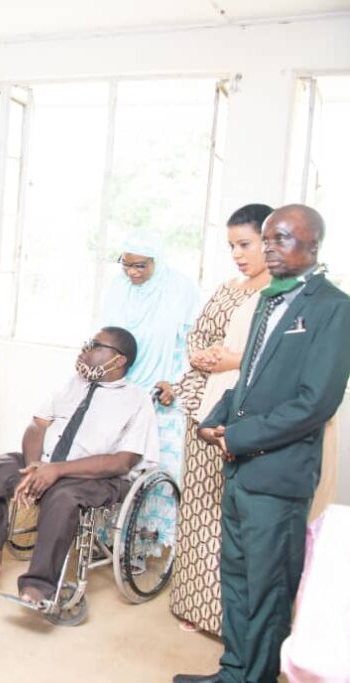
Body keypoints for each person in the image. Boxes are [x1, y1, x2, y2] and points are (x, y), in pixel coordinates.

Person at [175, 205, 350, 683]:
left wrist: (239, 436)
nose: (271, 248)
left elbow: (316, 402)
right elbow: (248, 381)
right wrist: (215, 420)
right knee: (237, 578)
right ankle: (234, 671)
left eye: (283, 239)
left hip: (279, 473)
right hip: (241, 468)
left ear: (313, 244)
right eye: (267, 239)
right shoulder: (268, 300)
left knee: (268, 590)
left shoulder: (334, 307)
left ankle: (256, 677)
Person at [0, 327, 159, 604]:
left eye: (94, 345)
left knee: (62, 496)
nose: (86, 350)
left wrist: (56, 471)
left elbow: (122, 461)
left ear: (119, 359)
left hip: (95, 477)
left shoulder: (137, 400)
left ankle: (40, 586)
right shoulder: (73, 384)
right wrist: (34, 466)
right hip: (46, 462)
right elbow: (38, 424)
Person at [167, 204, 273, 636]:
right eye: (232, 246)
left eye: (245, 244)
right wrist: (202, 355)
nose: (237, 255)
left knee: (227, 514)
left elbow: (275, 355)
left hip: (240, 412)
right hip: (201, 403)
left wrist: (233, 359)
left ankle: (223, 613)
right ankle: (191, 602)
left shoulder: (278, 293)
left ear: (270, 241)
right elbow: (198, 334)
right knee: (196, 506)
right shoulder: (228, 288)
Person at [100, 235, 200, 548]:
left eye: (140, 265)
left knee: (154, 470)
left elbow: (192, 344)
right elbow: (106, 337)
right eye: (126, 264)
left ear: (157, 260)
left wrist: (177, 382)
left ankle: (144, 544)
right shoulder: (117, 288)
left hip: (162, 393)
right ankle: (106, 539)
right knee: (110, 463)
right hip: (119, 389)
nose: (132, 272)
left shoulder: (180, 290)